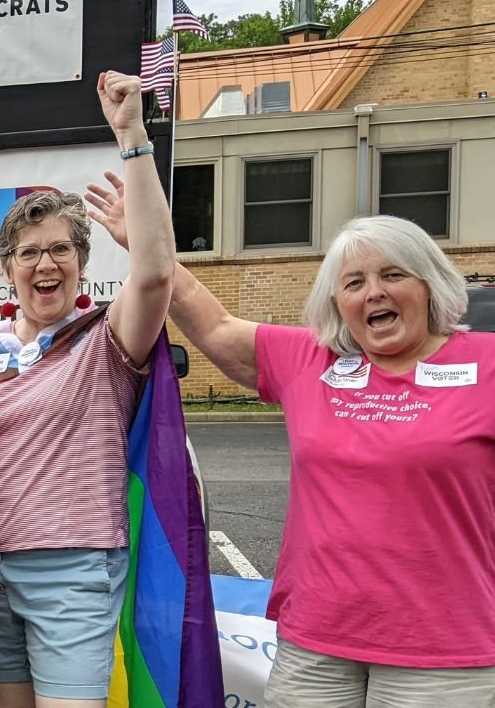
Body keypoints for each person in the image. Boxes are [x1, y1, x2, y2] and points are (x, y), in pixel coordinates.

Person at [86, 183, 495, 706]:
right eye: (354, 283)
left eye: (393, 275)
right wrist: (146, 241)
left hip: (446, 654)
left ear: (430, 284)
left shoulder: (485, 362)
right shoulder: (310, 358)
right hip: (315, 646)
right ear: (338, 303)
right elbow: (214, 323)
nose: (374, 292)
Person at [0, 70, 176, 708]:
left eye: (61, 250)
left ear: (82, 261)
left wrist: (132, 136)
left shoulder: (107, 337)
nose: (45, 264)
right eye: (28, 252)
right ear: (7, 267)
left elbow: (156, 274)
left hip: (72, 566)